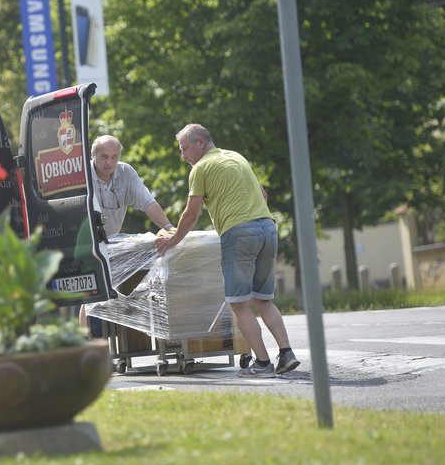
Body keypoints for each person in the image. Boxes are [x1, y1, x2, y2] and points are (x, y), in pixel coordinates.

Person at [156, 123, 300, 377]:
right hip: (267, 227)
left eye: (185, 149)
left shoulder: (200, 168)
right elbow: (263, 195)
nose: (183, 156)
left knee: (239, 304)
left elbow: (191, 214)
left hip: (239, 233)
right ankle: (286, 353)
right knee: (263, 299)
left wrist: (173, 240)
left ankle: (263, 363)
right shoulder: (236, 156)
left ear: (201, 142)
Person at [81, 135, 176, 333]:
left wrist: (169, 228)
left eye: (114, 157)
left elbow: (148, 203)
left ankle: (130, 334)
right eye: (104, 157)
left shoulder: (126, 172)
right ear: (92, 156)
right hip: (87, 243)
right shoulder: (82, 175)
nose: (110, 162)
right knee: (90, 293)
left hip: (113, 242)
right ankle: (86, 342)